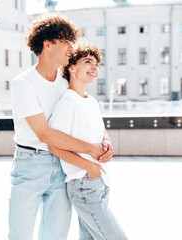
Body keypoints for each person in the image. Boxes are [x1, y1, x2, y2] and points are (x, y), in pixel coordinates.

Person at [9, 14, 114, 240]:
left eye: (71, 41)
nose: (71, 47)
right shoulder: (24, 84)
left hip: (63, 164)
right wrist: (91, 150)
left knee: (55, 236)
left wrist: (105, 141)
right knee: (20, 234)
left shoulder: (66, 79)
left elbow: (87, 111)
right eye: (65, 41)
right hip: (30, 163)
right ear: (47, 44)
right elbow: (45, 134)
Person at [48, 42, 128, 240]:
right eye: (87, 62)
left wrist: (107, 144)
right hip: (84, 183)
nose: (95, 67)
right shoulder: (68, 101)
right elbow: (53, 144)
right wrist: (88, 168)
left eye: (97, 64)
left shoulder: (90, 101)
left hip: (100, 181)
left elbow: (98, 133)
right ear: (72, 67)